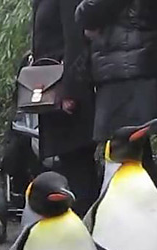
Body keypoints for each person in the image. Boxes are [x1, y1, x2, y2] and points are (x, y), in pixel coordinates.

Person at [74, 0, 157, 192]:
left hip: (121, 71)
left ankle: (147, 207)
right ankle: (151, 206)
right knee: (139, 153)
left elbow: (87, 12)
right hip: (140, 64)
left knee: (127, 154)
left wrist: (85, 16)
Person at [32, 0, 98, 215]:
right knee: (68, 160)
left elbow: (75, 40)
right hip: (52, 85)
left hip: (67, 89)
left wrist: (71, 90)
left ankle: (83, 220)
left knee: (77, 162)